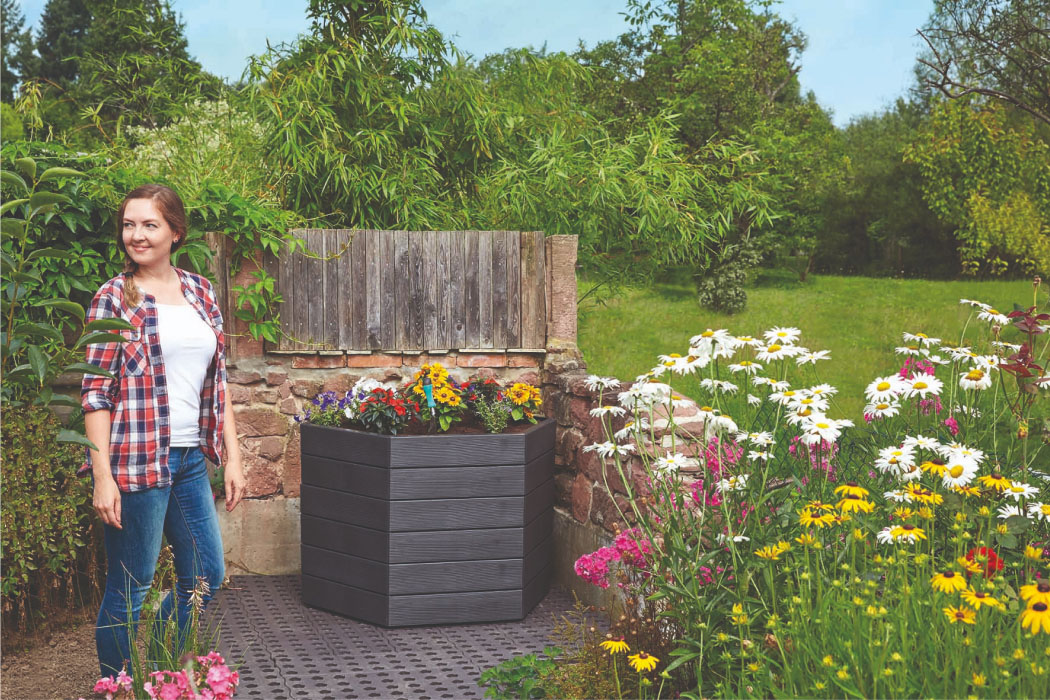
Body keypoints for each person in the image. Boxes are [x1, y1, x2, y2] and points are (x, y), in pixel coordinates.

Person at [81, 184, 246, 676]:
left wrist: (233, 457)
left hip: (190, 459)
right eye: (129, 225)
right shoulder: (113, 297)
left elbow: (218, 384)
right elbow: (95, 393)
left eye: (149, 225)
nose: (137, 235)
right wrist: (102, 476)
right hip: (135, 462)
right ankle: (118, 685)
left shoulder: (199, 291)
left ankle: (159, 668)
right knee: (130, 587)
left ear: (176, 231)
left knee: (206, 575)